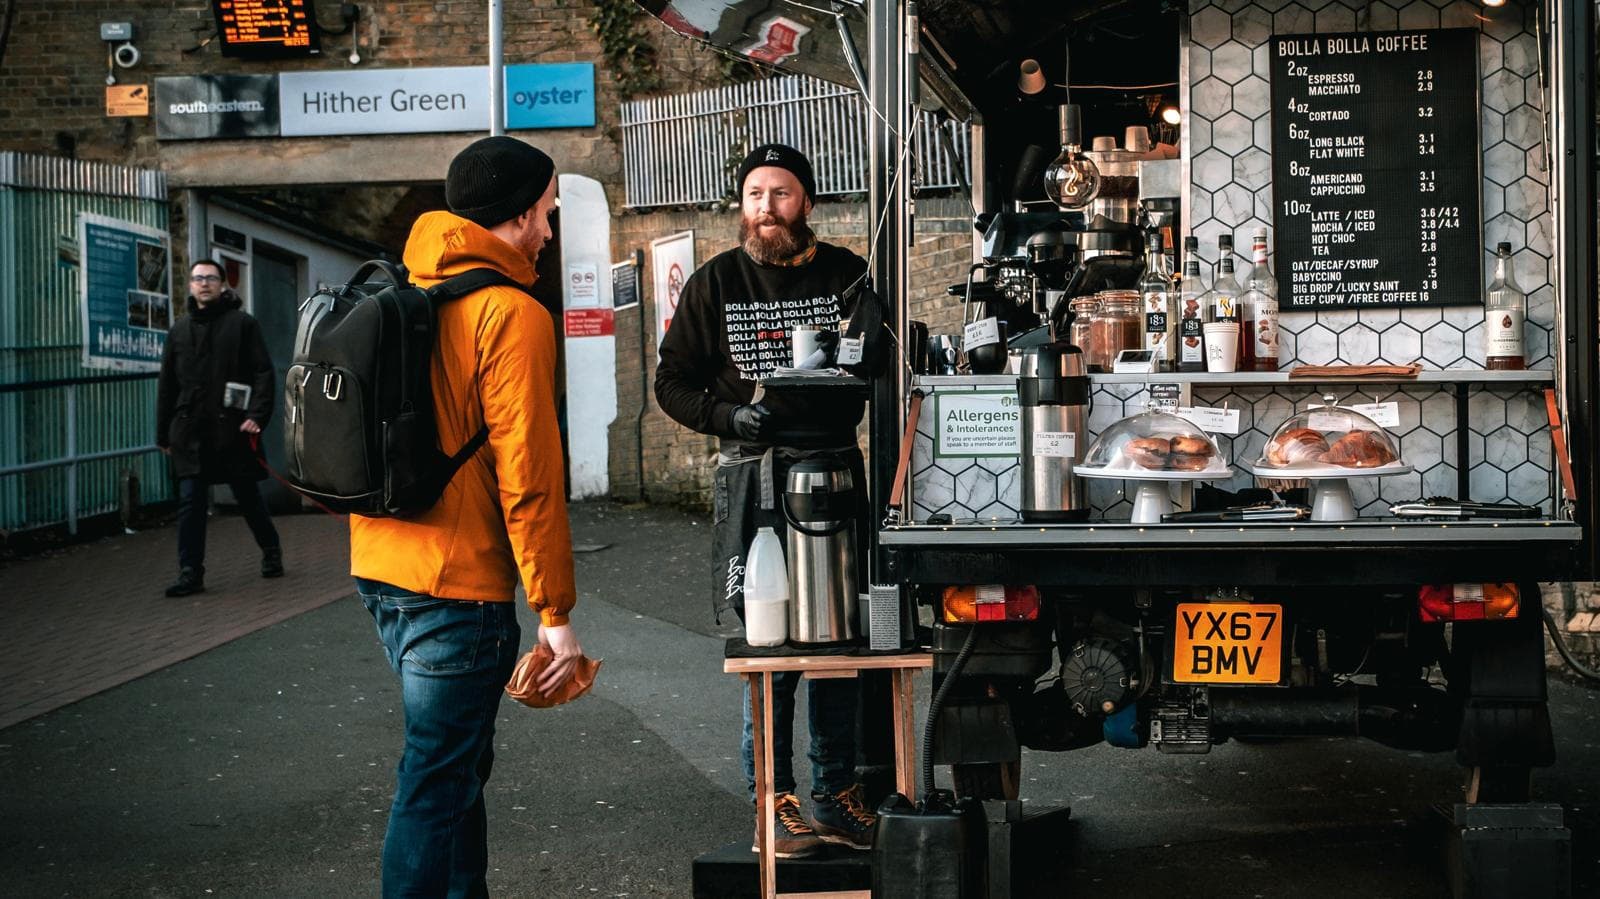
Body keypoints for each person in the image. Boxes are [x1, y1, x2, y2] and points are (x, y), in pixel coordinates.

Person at [350, 135, 584, 897]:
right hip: (458, 584)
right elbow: (530, 479)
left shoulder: (405, 292)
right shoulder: (510, 313)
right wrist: (554, 611)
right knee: (435, 780)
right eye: (546, 212)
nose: (548, 231)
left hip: (381, 565)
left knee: (454, 770)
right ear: (517, 215)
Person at [655, 143, 882, 857]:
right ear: (741, 204)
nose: (767, 208)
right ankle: (773, 799)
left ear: (806, 201)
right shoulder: (716, 282)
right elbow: (671, 383)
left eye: (781, 193)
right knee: (768, 640)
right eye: (755, 194)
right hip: (755, 476)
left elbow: (883, 363)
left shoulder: (847, 275)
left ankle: (835, 794)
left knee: (840, 640)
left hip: (835, 469)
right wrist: (730, 417)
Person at [156, 259, 281, 597]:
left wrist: (258, 414)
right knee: (190, 502)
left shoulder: (242, 324)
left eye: (211, 278)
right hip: (190, 432)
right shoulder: (179, 331)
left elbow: (263, 372)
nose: (204, 283)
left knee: (247, 497)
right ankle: (190, 573)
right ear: (190, 285)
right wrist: (163, 433)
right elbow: (167, 385)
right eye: (198, 278)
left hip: (232, 429)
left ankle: (271, 550)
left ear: (223, 285)